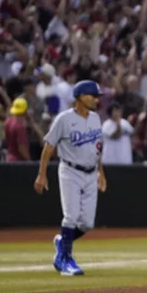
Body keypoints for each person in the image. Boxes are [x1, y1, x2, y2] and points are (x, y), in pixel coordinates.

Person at [33, 80, 107, 276]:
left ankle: (61, 243)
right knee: (71, 216)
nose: (97, 100)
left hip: (91, 173)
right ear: (81, 97)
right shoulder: (64, 119)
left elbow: (97, 148)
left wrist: (101, 171)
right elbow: (48, 146)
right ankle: (65, 260)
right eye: (93, 96)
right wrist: (42, 174)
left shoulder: (96, 118)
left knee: (87, 224)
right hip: (70, 171)